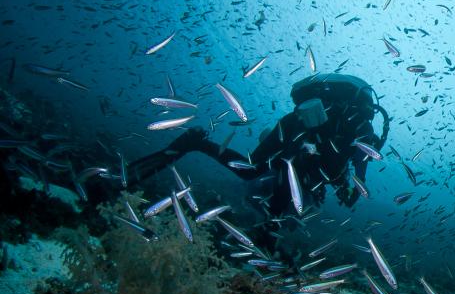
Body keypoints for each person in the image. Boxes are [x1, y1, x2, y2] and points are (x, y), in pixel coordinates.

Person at [128, 73, 389, 222]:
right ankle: (267, 237)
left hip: (292, 126)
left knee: (253, 169)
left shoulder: (346, 119)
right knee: (278, 186)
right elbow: (360, 159)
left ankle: (196, 143)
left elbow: (342, 160)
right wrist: (357, 188)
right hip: (298, 142)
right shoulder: (362, 126)